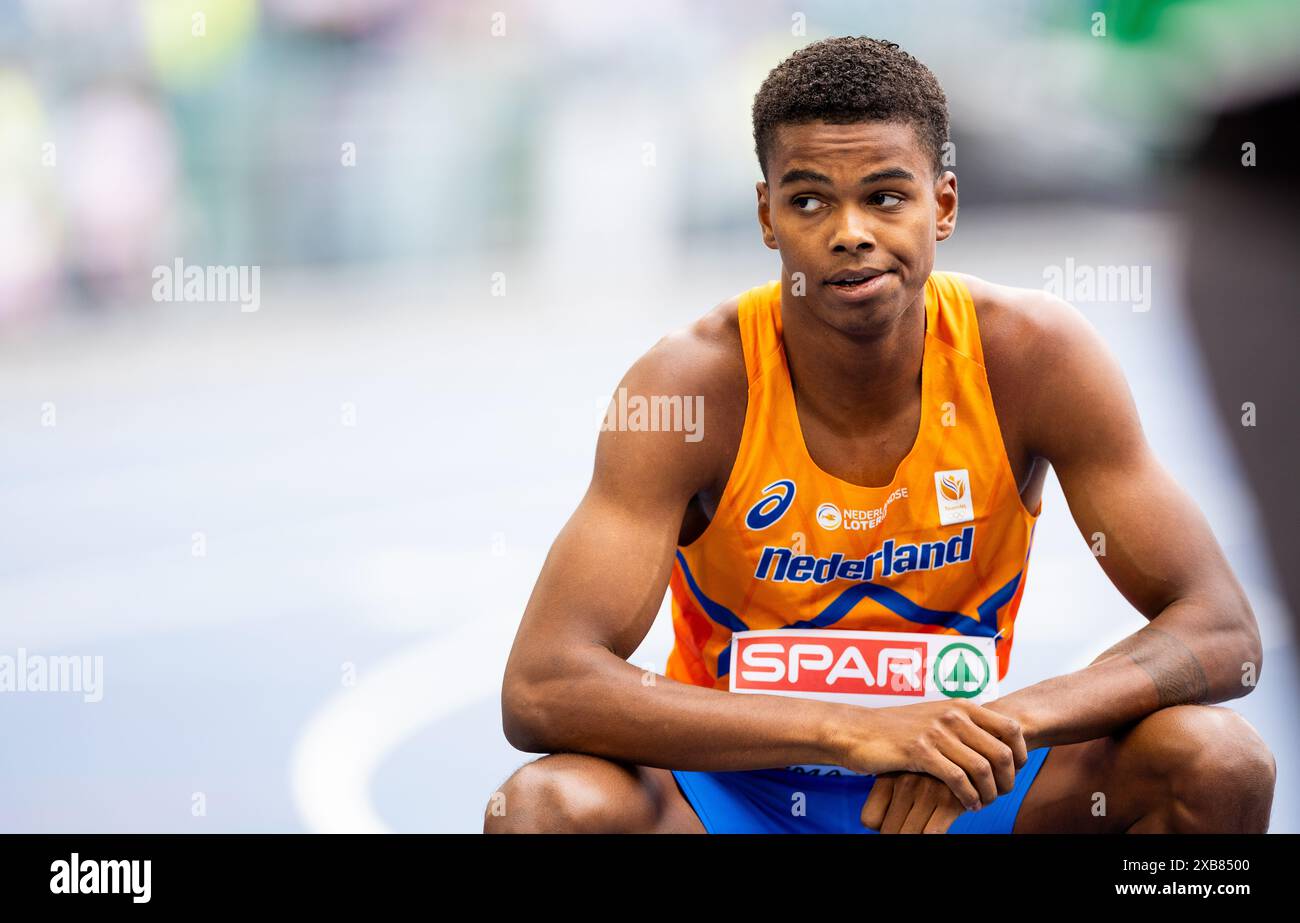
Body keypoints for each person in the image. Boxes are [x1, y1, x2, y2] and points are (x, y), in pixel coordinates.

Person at [485, 36, 1274, 834]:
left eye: (887, 197)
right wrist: (852, 729)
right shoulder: (689, 387)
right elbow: (544, 685)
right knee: (545, 809)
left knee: (1216, 763)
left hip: (959, 783)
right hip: (733, 792)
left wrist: (1003, 725)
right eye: (809, 200)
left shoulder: (1033, 359)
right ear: (767, 216)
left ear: (947, 204)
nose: (850, 231)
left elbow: (1219, 627)